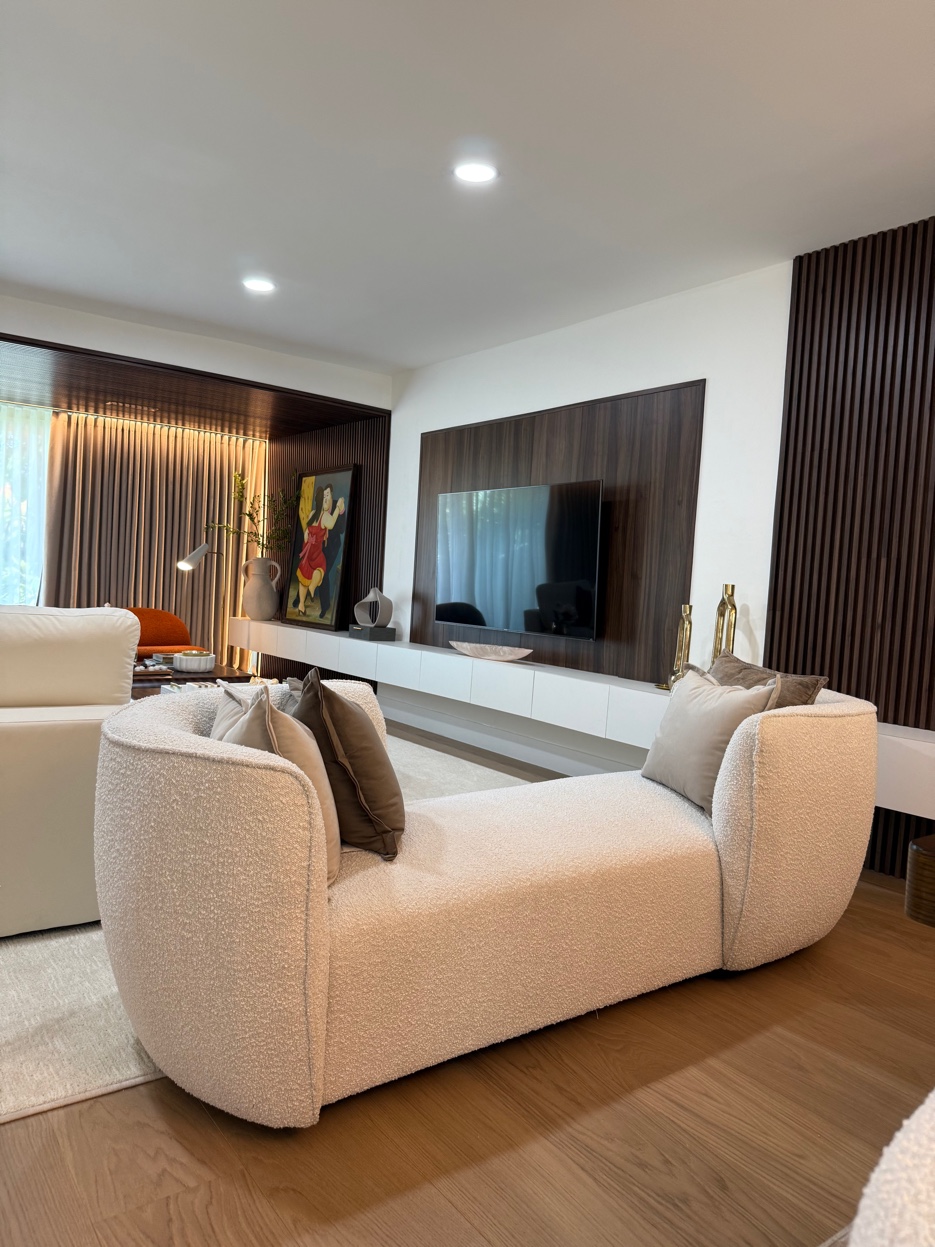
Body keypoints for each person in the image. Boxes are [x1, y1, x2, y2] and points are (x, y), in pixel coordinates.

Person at [294, 484, 345, 617]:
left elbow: (307, 533)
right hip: (316, 550)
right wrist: (338, 508)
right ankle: (310, 590)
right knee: (320, 568)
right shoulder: (324, 516)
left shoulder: (313, 513)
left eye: (328, 496)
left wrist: (340, 510)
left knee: (307, 573)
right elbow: (331, 522)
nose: (327, 499)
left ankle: (305, 605)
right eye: (324, 496)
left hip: (314, 549)